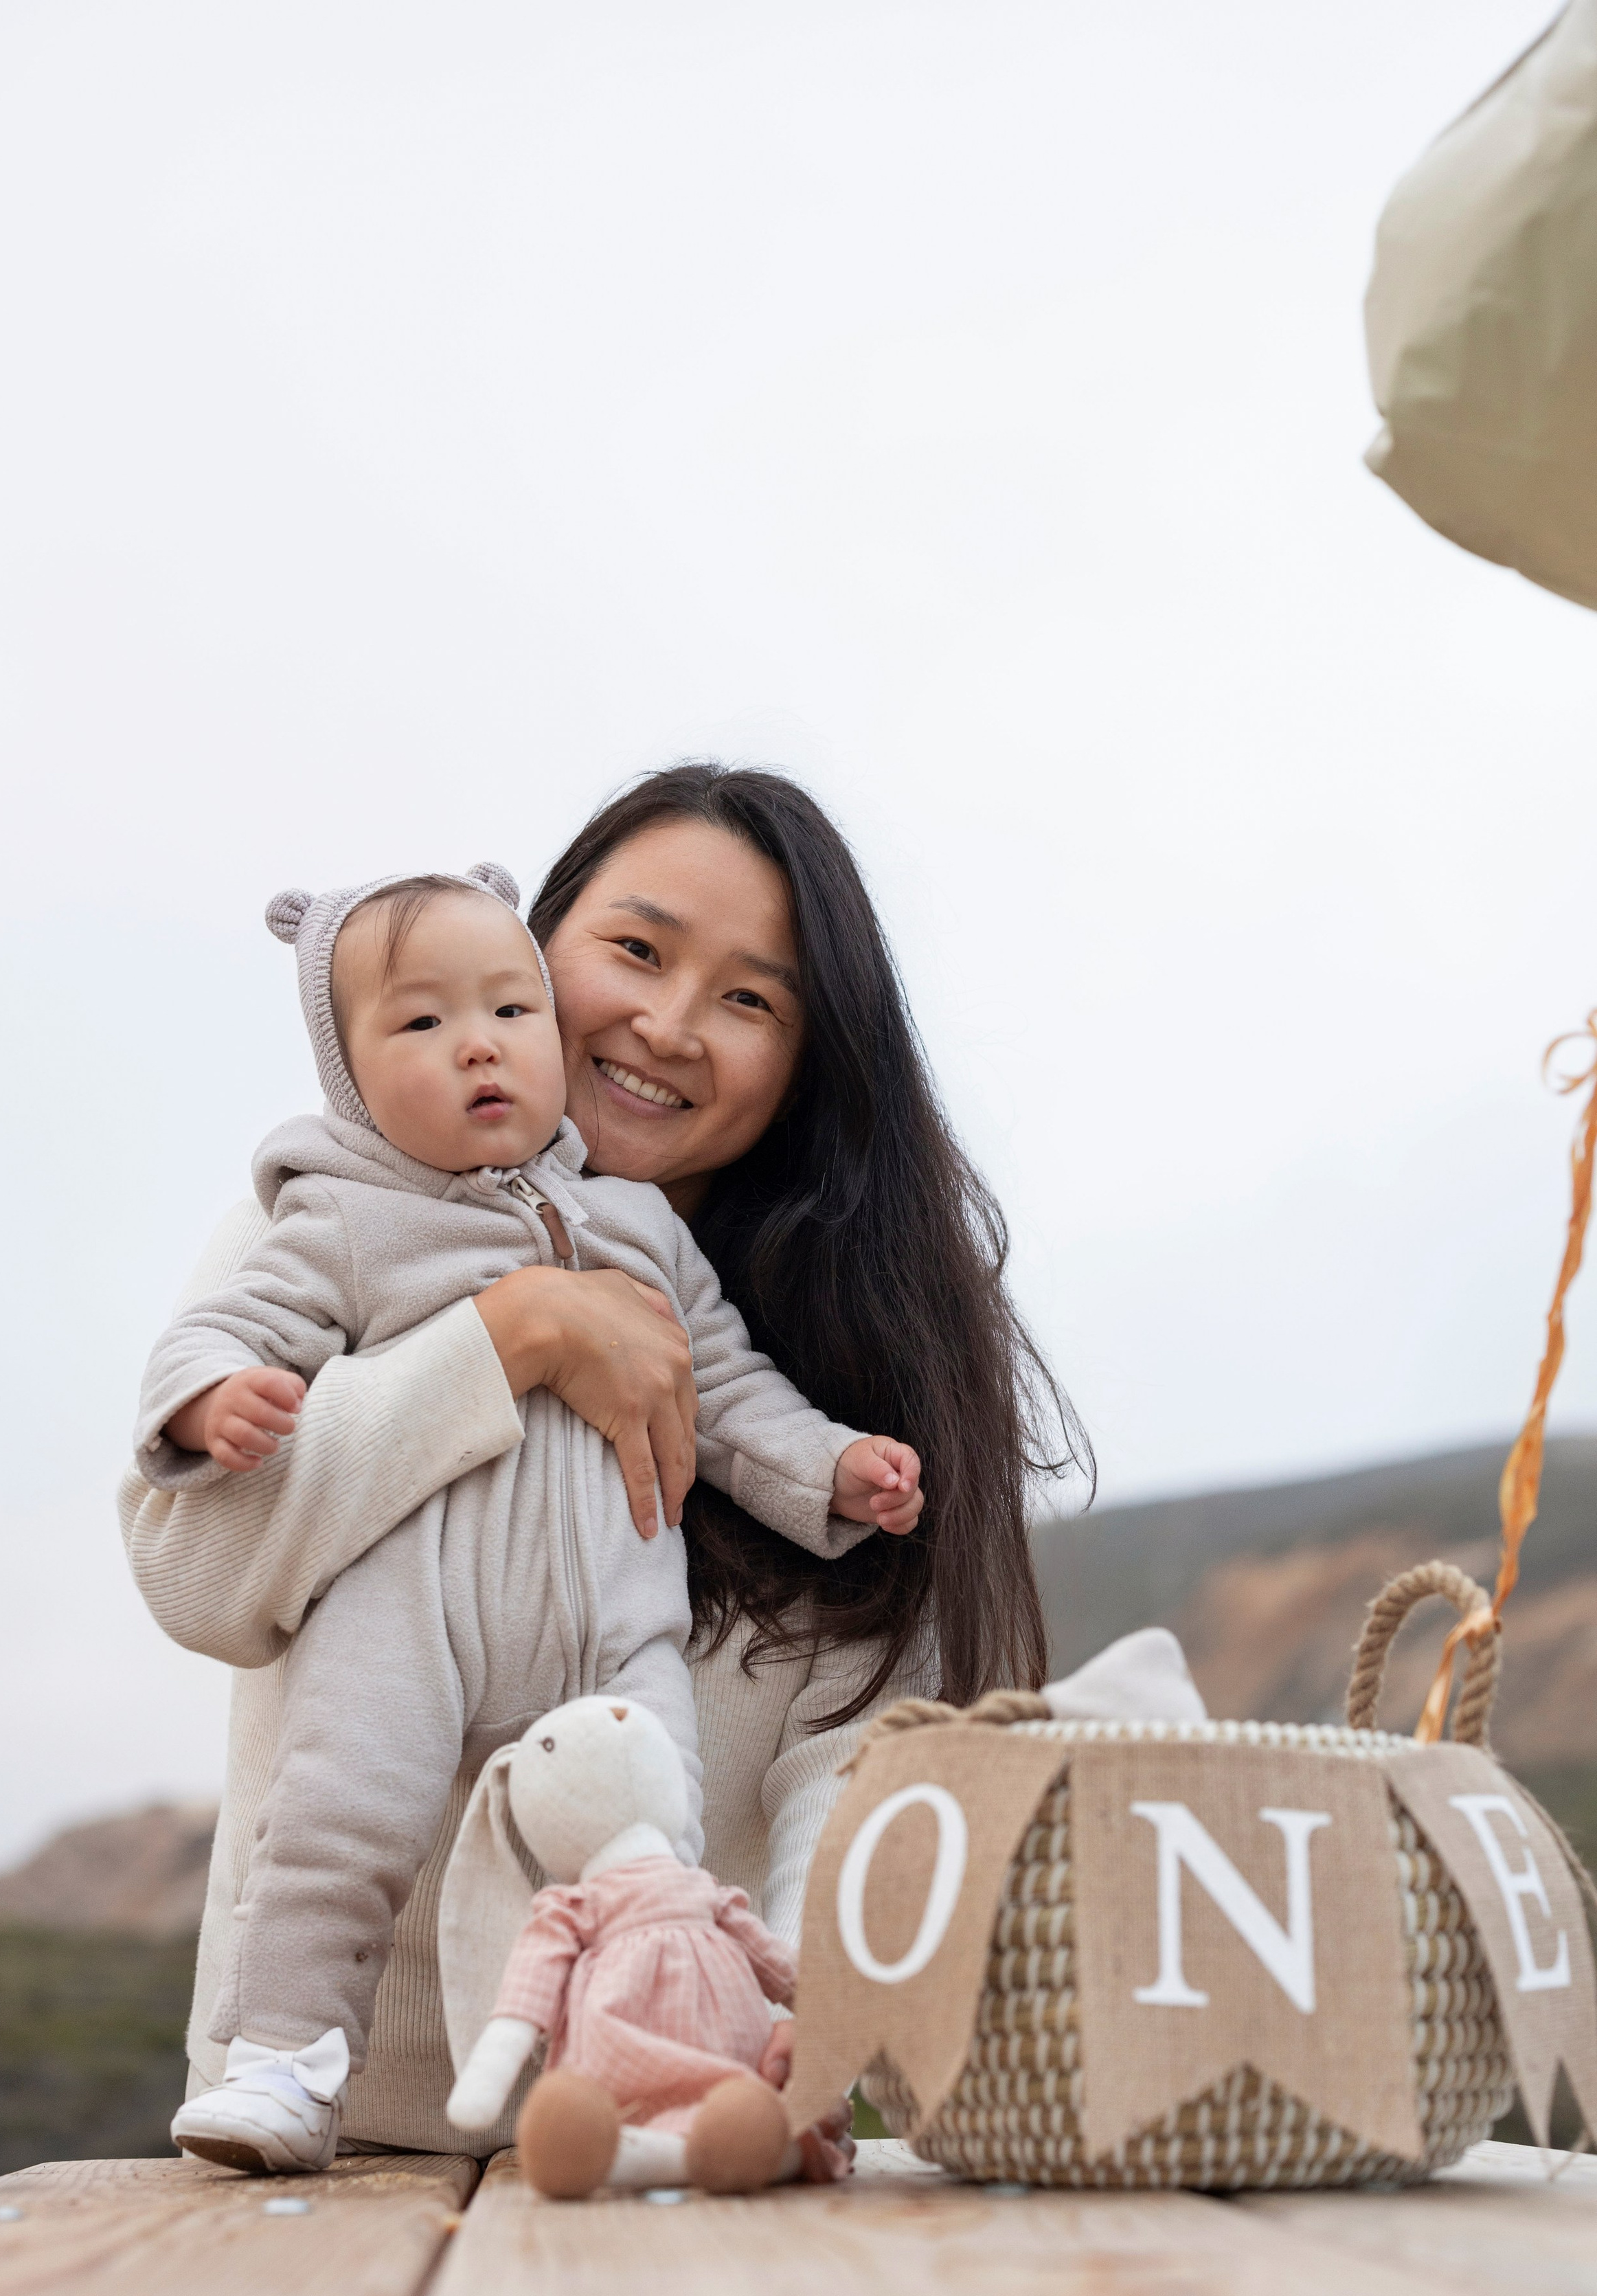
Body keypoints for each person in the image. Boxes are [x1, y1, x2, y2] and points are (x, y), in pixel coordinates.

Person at [120, 763, 1089, 2163]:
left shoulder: (848, 1340)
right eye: (633, 950)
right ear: (539, 939)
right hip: (332, 2157)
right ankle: (290, 2046)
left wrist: (808, 2041)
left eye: (750, 1000)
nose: (668, 1024)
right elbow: (193, 1575)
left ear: (806, 1062)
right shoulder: (332, 1213)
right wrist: (507, 1337)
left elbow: (851, 1763)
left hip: (660, 2153)